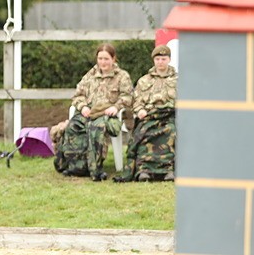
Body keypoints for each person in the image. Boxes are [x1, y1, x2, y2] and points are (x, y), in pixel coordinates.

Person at [55, 43, 134, 181]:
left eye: (106, 59)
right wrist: (83, 106)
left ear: (113, 59)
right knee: (73, 126)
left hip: (108, 114)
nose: (103, 62)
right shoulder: (90, 75)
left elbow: (128, 96)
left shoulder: (122, 76)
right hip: (89, 112)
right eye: (100, 59)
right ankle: (76, 167)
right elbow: (78, 95)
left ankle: (95, 169)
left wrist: (116, 107)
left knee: (95, 128)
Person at [115, 44, 177, 182]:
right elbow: (136, 100)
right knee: (143, 133)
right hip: (148, 116)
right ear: (154, 60)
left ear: (169, 60)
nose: (160, 62)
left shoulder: (178, 80)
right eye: (158, 59)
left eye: (163, 59)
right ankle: (144, 170)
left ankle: (168, 169)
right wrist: (140, 110)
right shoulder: (144, 81)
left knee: (171, 131)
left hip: (169, 116)